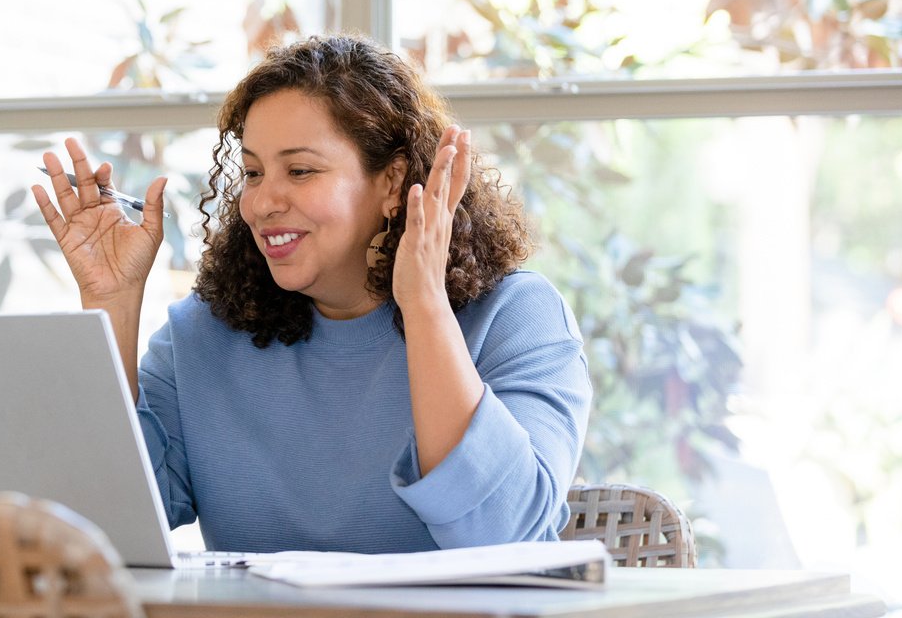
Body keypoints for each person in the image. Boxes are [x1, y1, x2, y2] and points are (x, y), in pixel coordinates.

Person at [32, 34, 591, 554]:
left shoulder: (517, 318)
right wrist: (113, 303)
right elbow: (98, 530)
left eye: (299, 171)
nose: (262, 202)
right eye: (252, 173)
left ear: (393, 183)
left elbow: (503, 536)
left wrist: (423, 304)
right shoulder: (202, 334)